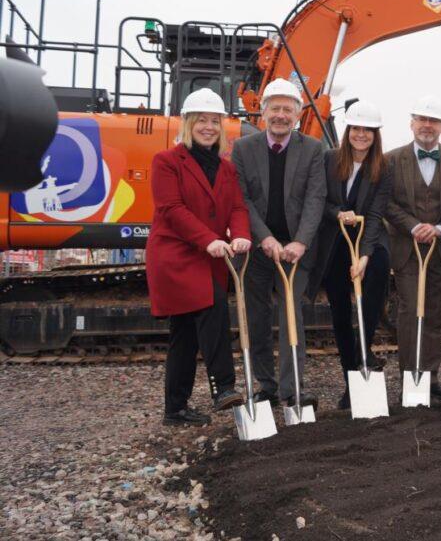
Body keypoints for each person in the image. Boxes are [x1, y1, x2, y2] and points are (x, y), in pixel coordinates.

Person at [147, 88, 251, 426]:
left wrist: (242, 235)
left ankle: (174, 409)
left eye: (215, 121)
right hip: (177, 254)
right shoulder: (166, 162)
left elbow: (236, 206)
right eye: (202, 120)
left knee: (185, 333)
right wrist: (208, 239)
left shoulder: (226, 168)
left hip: (210, 254)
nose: (209, 127)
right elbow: (171, 209)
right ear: (189, 123)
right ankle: (224, 386)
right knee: (213, 306)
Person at [231, 78, 327, 411]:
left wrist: (300, 241)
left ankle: (292, 389)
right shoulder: (243, 149)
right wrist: (265, 238)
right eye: (275, 108)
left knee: (291, 315)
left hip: (296, 251)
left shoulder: (313, 149)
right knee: (256, 318)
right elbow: (242, 199)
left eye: (288, 109)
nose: (281, 115)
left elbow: (316, 198)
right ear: (263, 111)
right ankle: (266, 386)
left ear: (298, 114)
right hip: (258, 249)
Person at [309, 100, 392, 411]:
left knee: (371, 298)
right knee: (341, 313)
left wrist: (366, 255)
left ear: (375, 135)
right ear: (348, 131)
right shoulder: (329, 160)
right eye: (356, 128)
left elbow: (375, 213)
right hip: (335, 241)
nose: (361, 135)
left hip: (368, 242)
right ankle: (349, 380)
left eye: (367, 130)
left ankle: (364, 355)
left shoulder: (382, 169)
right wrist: (338, 213)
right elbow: (319, 201)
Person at [385, 95, 441, 403]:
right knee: (409, 312)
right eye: (422, 119)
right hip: (407, 248)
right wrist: (412, 226)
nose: (427, 125)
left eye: (433, 121)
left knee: (434, 313)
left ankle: (430, 378)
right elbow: (386, 202)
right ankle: (409, 378)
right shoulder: (392, 159)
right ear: (412, 123)